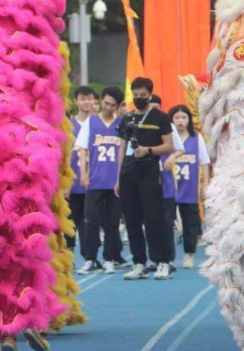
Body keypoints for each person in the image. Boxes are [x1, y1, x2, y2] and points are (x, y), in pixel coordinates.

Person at [117, 77, 175, 280]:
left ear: (150, 95)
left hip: (149, 171)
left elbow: (169, 146)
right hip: (127, 174)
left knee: (154, 219)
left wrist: (149, 149)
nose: (139, 98)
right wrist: (117, 178)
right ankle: (139, 262)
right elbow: (122, 149)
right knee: (131, 221)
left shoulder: (160, 117)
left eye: (143, 95)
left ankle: (162, 261)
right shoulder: (127, 118)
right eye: (136, 95)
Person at [75, 87, 124, 274]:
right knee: (91, 221)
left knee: (112, 223)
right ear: (101, 100)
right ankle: (90, 258)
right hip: (95, 180)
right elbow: (81, 148)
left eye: (113, 105)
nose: (108, 107)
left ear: (118, 106)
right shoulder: (91, 122)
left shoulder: (121, 124)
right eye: (106, 103)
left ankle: (110, 258)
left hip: (115, 183)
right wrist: (83, 173)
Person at [161, 105, 210, 269]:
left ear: (188, 120)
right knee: (166, 221)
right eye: (177, 118)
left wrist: (206, 184)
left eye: (184, 117)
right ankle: (168, 256)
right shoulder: (166, 139)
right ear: (171, 120)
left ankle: (189, 254)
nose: (180, 121)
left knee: (190, 222)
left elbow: (204, 161)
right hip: (169, 185)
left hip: (189, 186)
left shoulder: (196, 137)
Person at [67, 86, 98, 253]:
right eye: (83, 98)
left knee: (90, 223)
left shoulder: (98, 124)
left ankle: (90, 258)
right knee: (70, 222)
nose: (87, 101)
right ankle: (68, 257)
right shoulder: (68, 126)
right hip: (72, 182)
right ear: (76, 101)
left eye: (90, 98)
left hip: (94, 183)